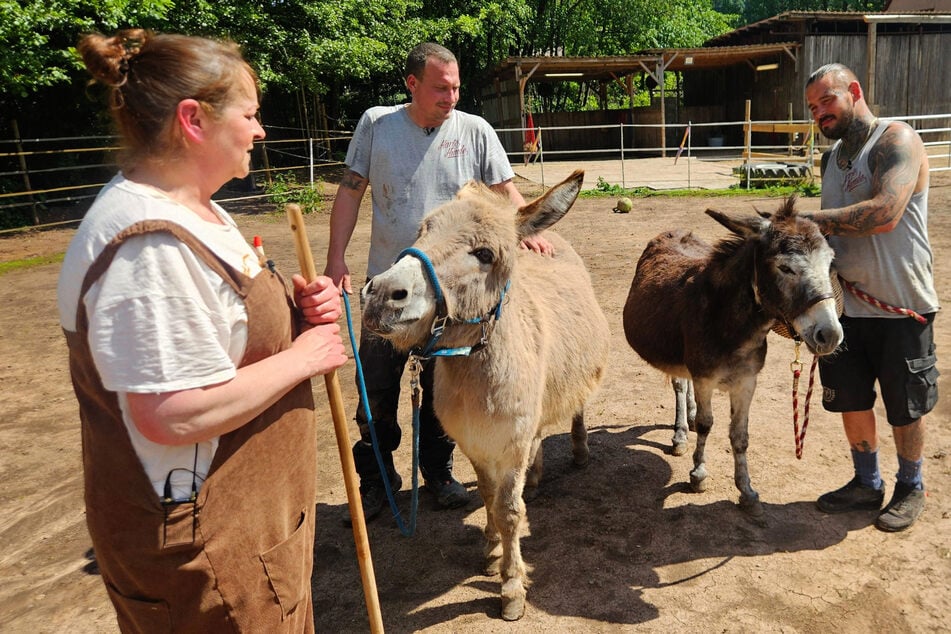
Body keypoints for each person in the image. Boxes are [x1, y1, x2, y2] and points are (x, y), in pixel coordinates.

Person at [58, 29, 348, 631]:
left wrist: (296, 311)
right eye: (250, 114)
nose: (260, 131)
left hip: (248, 538)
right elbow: (171, 414)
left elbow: (218, 331)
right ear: (193, 120)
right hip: (210, 558)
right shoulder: (149, 246)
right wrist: (305, 355)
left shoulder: (195, 209)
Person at [324, 42, 552, 523]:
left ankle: (439, 473)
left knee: (441, 392)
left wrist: (529, 229)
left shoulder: (475, 130)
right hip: (390, 286)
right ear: (412, 84)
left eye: (456, 88)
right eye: (440, 88)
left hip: (449, 295)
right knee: (376, 391)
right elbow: (349, 192)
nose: (451, 97)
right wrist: (335, 257)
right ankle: (377, 480)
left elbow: (505, 190)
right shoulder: (377, 125)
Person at [803, 63, 938, 532]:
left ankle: (911, 485)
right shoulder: (829, 160)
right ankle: (866, 482)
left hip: (901, 302)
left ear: (854, 91)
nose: (819, 113)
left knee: (905, 404)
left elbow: (884, 214)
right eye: (813, 108)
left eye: (827, 100)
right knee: (851, 399)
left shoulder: (896, 140)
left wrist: (804, 222)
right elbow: (833, 236)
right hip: (846, 306)